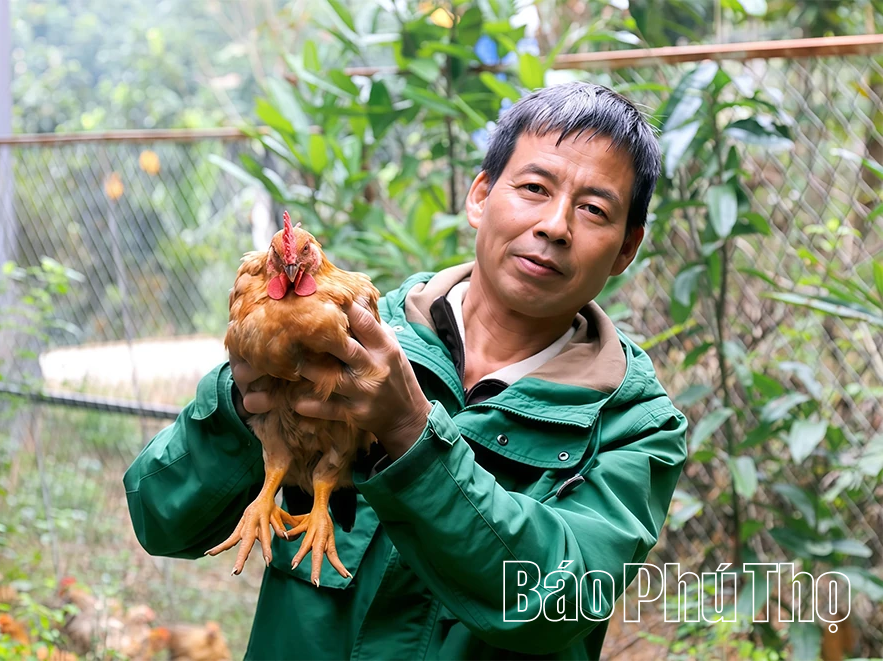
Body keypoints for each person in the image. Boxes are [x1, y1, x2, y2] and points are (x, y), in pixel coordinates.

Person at [124, 81, 688, 660]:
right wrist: (242, 406)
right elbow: (159, 519)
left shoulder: (633, 426)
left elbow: (554, 601)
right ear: (480, 196)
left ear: (626, 248)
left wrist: (411, 436)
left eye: (594, 209)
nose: (555, 225)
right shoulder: (344, 339)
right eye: (534, 188)